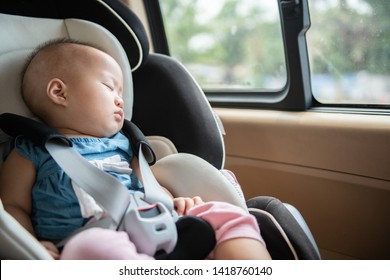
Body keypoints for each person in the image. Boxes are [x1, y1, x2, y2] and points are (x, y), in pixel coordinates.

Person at [0, 39, 271, 260]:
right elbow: (12, 205)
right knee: (92, 248)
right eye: (109, 87)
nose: (121, 100)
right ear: (59, 92)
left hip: (150, 223)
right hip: (84, 239)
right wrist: (33, 244)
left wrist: (172, 202)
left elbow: (147, 185)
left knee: (227, 215)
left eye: (121, 92)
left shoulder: (125, 143)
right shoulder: (31, 148)